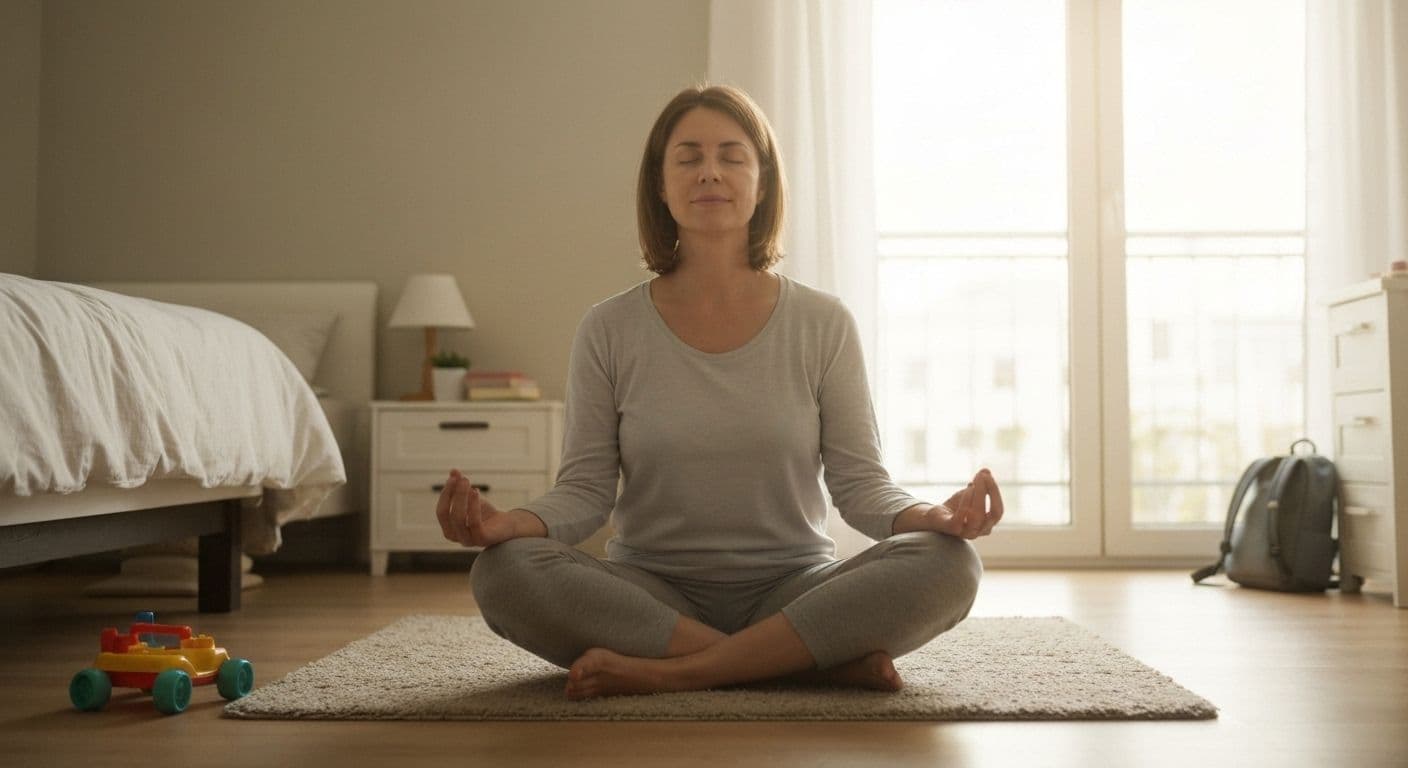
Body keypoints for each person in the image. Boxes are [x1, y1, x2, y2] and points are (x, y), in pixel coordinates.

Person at [434, 84, 1003, 701]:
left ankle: (675, 672)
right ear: (661, 183)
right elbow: (585, 491)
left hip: (794, 589)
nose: (710, 172)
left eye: (732, 156)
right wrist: (505, 525)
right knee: (505, 572)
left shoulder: (823, 323)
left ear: (762, 182)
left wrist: (937, 518)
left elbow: (860, 486)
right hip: (652, 594)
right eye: (688, 157)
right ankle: (800, 663)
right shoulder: (609, 328)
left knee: (949, 563)